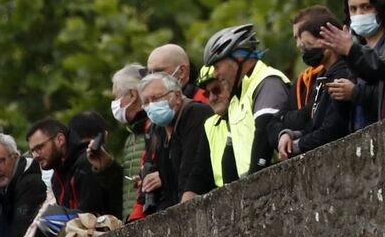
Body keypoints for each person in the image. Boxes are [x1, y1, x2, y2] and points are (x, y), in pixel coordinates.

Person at [200, 23, 295, 175]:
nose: (216, 74)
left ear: (238, 58)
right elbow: (229, 155)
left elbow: (264, 137)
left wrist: (252, 184)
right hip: (252, 188)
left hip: (278, 180)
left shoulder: (267, 81)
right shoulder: (236, 97)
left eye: (217, 66)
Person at [277, 10, 360, 160]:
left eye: (309, 45)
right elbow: (315, 124)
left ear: (327, 41)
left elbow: (332, 129)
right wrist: (290, 135)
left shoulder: (341, 75)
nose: (305, 52)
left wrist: (297, 145)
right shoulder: (323, 76)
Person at [137, 71, 215, 208]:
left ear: (177, 96)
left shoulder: (196, 113)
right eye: (146, 102)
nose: (151, 106)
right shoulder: (159, 129)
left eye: (156, 98)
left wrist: (184, 214)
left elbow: (193, 171)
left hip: (204, 204)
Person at [28, 117, 117, 217]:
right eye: (33, 151)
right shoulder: (56, 178)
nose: (35, 156)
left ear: (60, 139)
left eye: (39, 148)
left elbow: (91, 216)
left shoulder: (87, 163)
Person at [108, 62, 149, 216]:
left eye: (116, 97)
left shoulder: (155, 130)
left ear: (132, 95)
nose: (114, 104)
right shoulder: (131, 137)